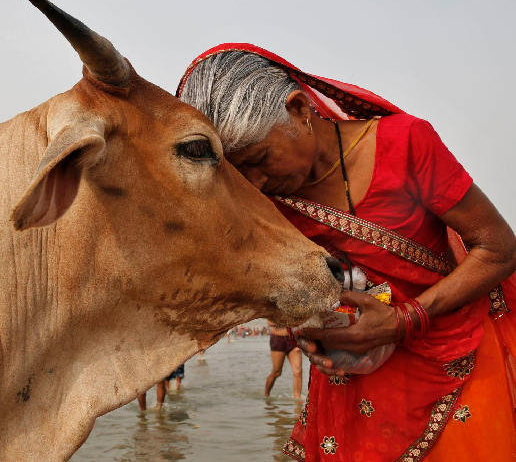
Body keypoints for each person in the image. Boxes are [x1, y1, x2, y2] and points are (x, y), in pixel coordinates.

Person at [177, 44, 516, 461]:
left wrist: (402, 321)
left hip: (456, 351)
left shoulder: (406, 144)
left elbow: (498, 248)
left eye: (261, 159)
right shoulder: (268, 204)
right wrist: (311, 333)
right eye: (240, 175)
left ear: (299, 109)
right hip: (355, 379)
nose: (257, 183)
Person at [266, 320, 303, 399]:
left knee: (298, 371)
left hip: (293, 339)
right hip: (277, 339)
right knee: (277, 372)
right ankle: (266, 395)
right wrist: (289, 321)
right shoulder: (274, 307)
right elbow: (270, 322)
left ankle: (298, 400)